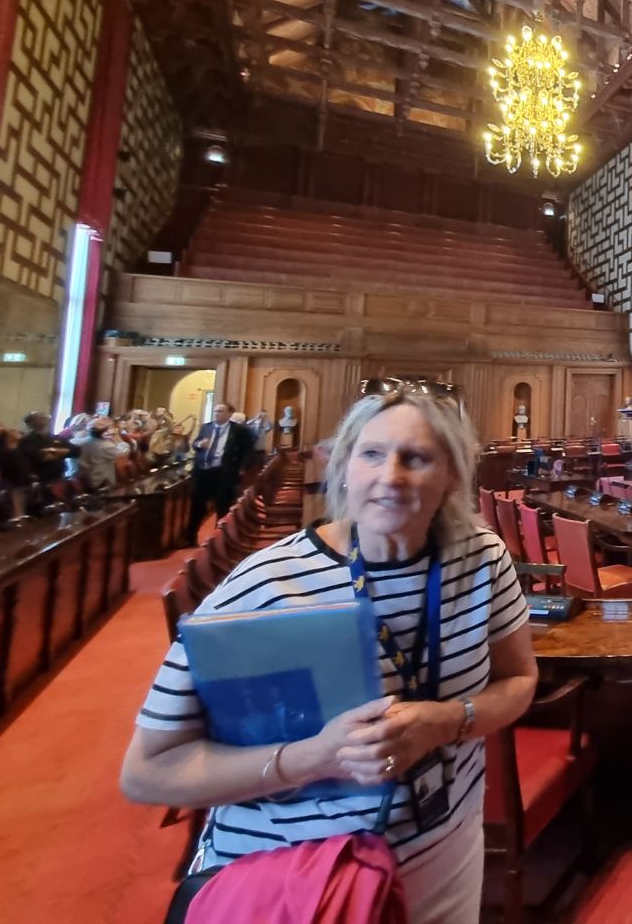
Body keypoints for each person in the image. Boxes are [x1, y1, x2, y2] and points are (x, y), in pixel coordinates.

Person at [121, 389, 537, 923]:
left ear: (453, 476)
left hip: (445, 850)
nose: (390, 476)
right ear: (343, 468)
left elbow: (519, 680)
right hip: (297, 874)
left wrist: (449, 721)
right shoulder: (268, 585)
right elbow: (147, 771)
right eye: (371, 454)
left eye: (417, 458)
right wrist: (314, 757)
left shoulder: (482, 559)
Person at [187, 404, 254, 545]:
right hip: (203, 472)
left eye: (221, 411)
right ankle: (189, 538)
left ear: (230, 414)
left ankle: (219, 541)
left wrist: (242, 468)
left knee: (223, 507)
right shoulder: (206, 427)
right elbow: (194, 444)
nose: (217, 414)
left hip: (224, 473)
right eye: (216, 411)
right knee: (197, 507)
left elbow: (248, 450)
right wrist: (200, 444)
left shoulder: (239, 430)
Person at [76, 418, 129, 492]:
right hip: (101, 482)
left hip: (82, 481)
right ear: (105, 431)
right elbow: (124, 451)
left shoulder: (78, 442)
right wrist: (117, 437)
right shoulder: (106, 446)